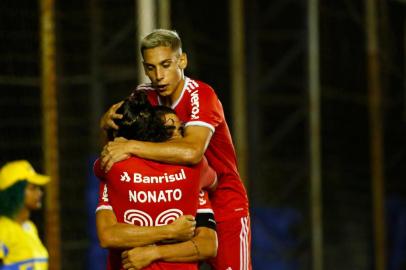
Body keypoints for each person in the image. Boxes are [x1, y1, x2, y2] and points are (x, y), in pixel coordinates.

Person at [100, 29, 251, 270]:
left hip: (222, 202)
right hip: (173, 204)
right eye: (150, 68)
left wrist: (131, 145)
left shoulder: (201, 96)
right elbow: (113, 151)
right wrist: (107, 127)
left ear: (182, 60)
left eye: (166, 64)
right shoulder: (142, 96)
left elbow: (192, 152)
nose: (158, 76)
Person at [94, 92, 218, 269]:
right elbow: (108, 236)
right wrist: (170, 231)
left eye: (181, 130)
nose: (178, 137)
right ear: (152, 135)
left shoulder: (113, 167)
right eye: (169, 131)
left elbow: (208, 245)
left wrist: (153, 253)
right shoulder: (197, 169)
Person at [0, 160, 49, 270]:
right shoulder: (3, 228)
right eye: (33, 188)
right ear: (14, 192)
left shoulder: (30, 228)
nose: (40, 193)